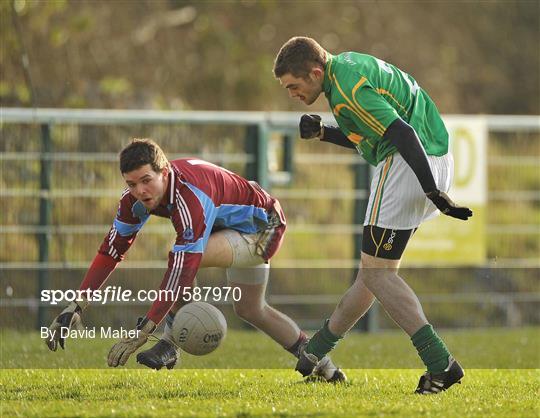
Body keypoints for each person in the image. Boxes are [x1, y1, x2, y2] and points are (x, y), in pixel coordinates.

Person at [45, 138, 345, 382]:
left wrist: (146, 328)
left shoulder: (190, 199)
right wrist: (76, 305)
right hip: (224, 226)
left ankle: (170, 345)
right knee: (251, 309)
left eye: (146, 180)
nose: (139, 191)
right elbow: (110, 251)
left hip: (263, 227)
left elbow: (184, 269)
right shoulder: (134, 200)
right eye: (132, 183)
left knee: (182, 258)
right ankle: (323, 365)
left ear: (164, 172)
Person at [273, 36, 472, 394]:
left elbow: (401, 133)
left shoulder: (347, 88)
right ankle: (316, 352)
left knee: (377, 275)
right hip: (433, 158)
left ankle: (441, 365)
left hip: (407, 165)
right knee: (374, 273)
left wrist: (432, 192)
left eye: (294, 85)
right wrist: (323, 133)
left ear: (315, 72)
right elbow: (376, 128)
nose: (292, 93)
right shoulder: (346, 68)